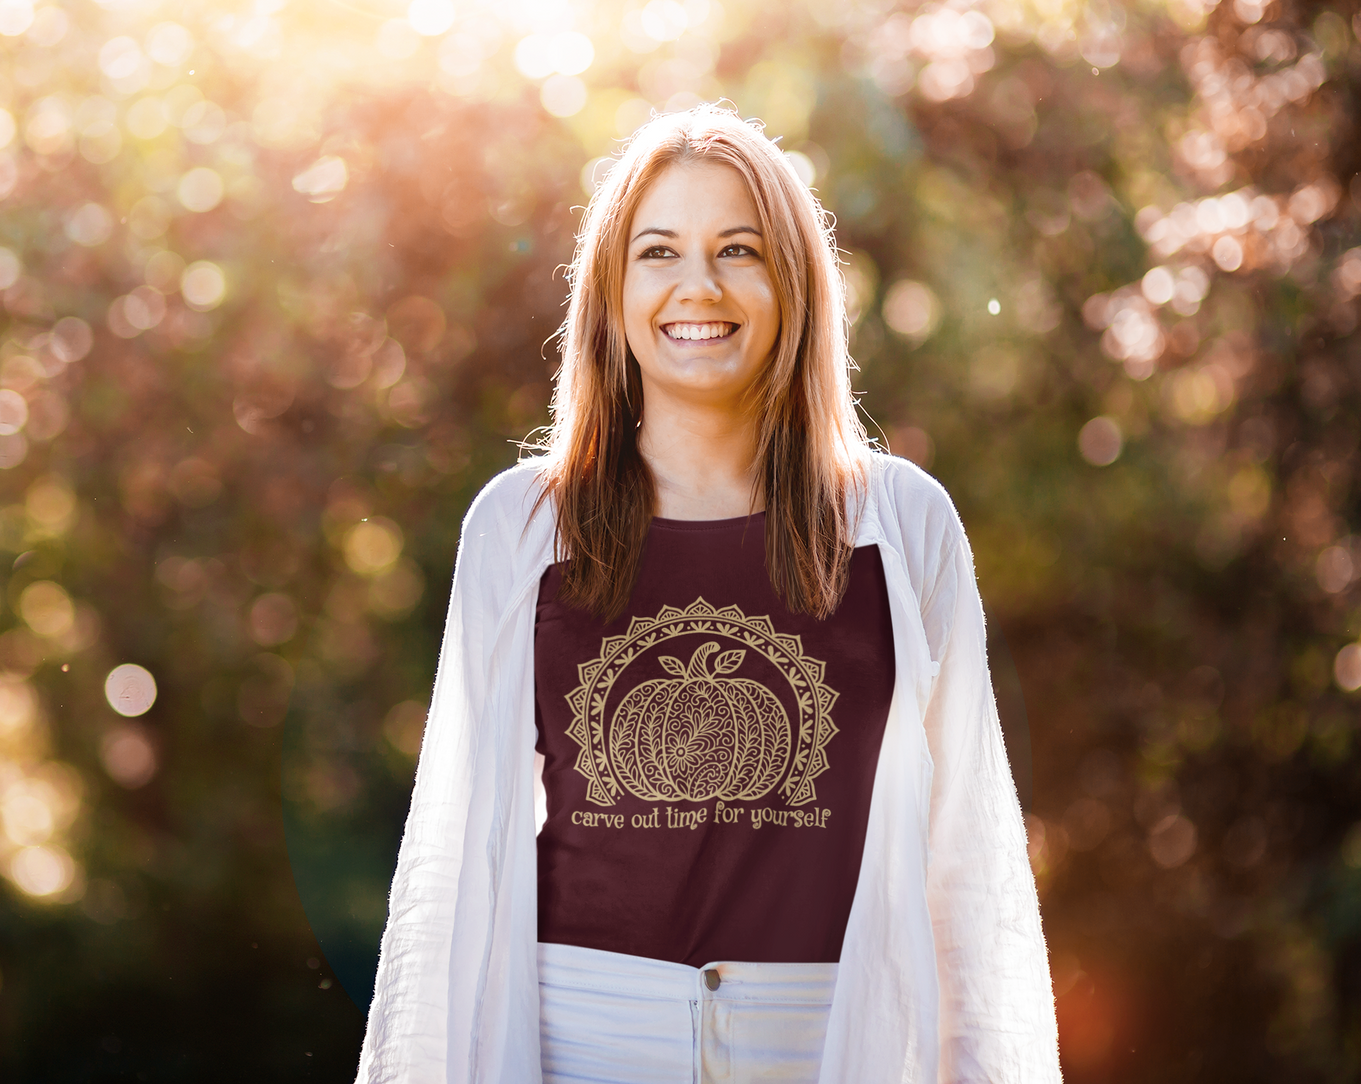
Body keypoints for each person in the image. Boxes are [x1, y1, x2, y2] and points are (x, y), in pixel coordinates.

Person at [354, 103, 1060, 1084]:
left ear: (791, 282)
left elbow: (964, 855)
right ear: (609, 291)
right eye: (657, 252)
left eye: (738, 250)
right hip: (582, 1040)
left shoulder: (899, 527)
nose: (698, 287)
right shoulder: (520, 528)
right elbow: (456, 846)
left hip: (826, 1044)